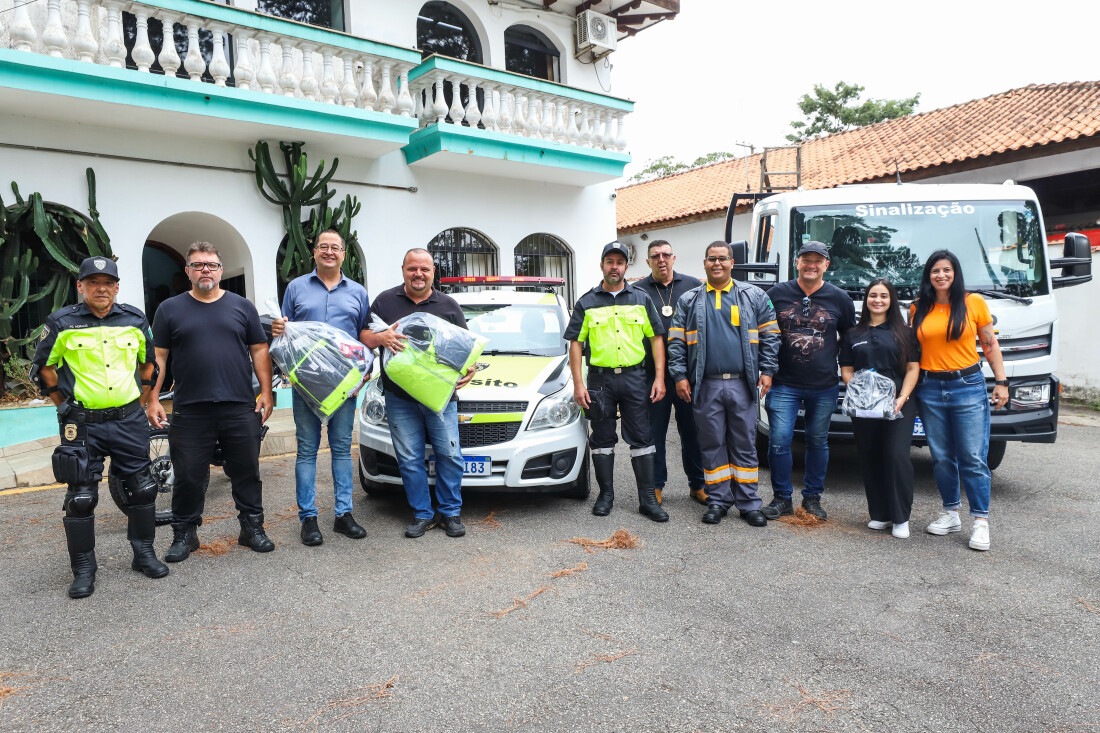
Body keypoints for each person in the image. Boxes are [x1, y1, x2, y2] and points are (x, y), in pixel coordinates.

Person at [30, 257, 169, 598]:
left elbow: (148, 365)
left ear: (117, 286)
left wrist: (141, 402)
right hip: (83, 425)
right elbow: (44, 369)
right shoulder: (62, 323)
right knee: (80, 498)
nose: (101, 288)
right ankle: (83, 569)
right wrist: (62, 406)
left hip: (127, 421)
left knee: (142, 488)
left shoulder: (135, 319)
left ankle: (144, 553)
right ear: (81, 286)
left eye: (108, 282)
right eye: (93, 282)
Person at [146, 242, 276, 560]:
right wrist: (152, 398)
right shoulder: (169, 309)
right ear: (188, 271)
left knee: (246, 472)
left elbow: (260, 350)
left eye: (212, 265)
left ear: (220, 270)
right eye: (199, 264)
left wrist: (267, 392)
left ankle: (252, 528)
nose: (206, 270)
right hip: (190, 408)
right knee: (189, 476)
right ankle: (185, 535)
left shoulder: (242, 306)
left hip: (239, 405)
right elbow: (158, 356)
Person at [364, 248, 475, 539]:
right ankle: (422, 514)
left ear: (433, 272)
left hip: (440, 397)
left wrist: (470, 366)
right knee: (409, 457)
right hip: (399, 397)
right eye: (413, 269)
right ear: (403, 270)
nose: (418, 274)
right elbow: (364, 335)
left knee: (449, 455)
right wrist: (381, 336)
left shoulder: (448, 305)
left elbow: (465, 346)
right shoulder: (385, 301)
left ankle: (450, 513)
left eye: (424, 269)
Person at [667, 242, 780, 526]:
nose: (717, 264)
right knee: (712, 443)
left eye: (722, 259)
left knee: (744, 443)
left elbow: (771, 335)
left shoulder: (753, 295)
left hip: (744, 384)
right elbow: (676, 342)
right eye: (711, 259)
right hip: (706, 385)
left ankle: (749, 503)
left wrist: (767, 370)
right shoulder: (689, 300)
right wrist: (680, 376)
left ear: (732, 262)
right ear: (704, 263)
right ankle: (717, 501)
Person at [271, 230, 370, 546]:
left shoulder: (357, 292)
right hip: (306, 383)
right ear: (313, 252)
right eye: (323, 247)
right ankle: (308, 518)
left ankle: (343, 514)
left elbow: (364, 335)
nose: (329, 251)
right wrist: (277, 331)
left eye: (336, 247)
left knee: (342, 448)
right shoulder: (296, 288)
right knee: (307, 450)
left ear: (344, 254)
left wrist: (366, 370)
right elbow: (284, 332)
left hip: (344, 384)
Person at [910, 250, 1008, 551]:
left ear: (955, 273)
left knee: (972, 457)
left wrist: (1002, 382)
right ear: (928, 275)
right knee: (940, 456)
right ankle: (951, 513)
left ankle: (980, 522)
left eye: (947, 270)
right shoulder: (918, 308)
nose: (941, 275)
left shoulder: (973, 302)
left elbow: (990, 345)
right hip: (929, 387)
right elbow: (912, 352)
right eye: (935, 271)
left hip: (967, 385)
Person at [565, 242, 668, 522]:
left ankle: (647, 500)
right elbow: (576, 344)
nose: (614, 266)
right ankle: (605, 495)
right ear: (602, 265)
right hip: (600, 381)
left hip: (636, 378)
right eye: (609, 261)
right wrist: (578, 384)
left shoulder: (642, 298)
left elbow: (656, 338)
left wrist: (659, 377)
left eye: (619, 262)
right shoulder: (587, 302)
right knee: (601, 439)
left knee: (643, 438)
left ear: (626, 267)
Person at [761, 241, 856, 521]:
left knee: (817, 441)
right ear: (797, 263)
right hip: (783, 382)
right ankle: (781, 499)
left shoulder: (840, 298)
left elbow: (849, 338)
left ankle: (812, 499)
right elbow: (763, 333)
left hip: (824, 384)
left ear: (827, 265)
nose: (811, 265)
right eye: (806, 259)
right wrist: (764, 369)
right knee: (778, 441)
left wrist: (848, 372)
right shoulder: (776, 294)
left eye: (818, 260)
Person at [839, 278, 921, 539]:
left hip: (898, 402)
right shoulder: (853, 333)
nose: (878, 300)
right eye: (873, 295)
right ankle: (880, 514)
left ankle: (900, 518)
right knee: (870, 454)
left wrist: (903, 397)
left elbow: (912, 368)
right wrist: (863, 392)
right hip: (865, 404)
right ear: (866, 300)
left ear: (891, 300)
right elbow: (847, 368)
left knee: (896, 455)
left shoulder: (904, 333)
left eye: (884, 296)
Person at [634, 239, 706, 505]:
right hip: (652, 377)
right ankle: (655, 486)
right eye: (655, 256)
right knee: (654, 433)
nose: (661, 260)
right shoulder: (637, 291)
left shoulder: (694, 286)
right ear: (648, 261)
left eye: (666, 255)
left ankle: (698, 484)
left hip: (687, 375)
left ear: (674, 258)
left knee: (693, 432)